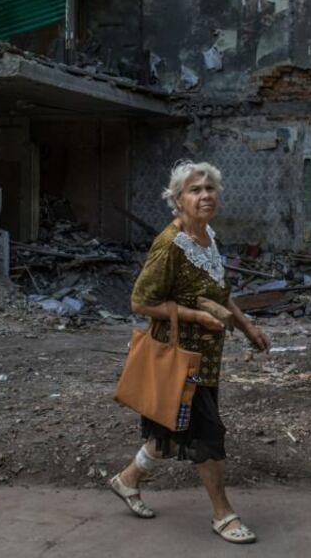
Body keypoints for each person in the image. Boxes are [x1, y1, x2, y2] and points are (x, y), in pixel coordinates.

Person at [109, 160, 270, 544]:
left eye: (210, 188)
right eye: (195, 190)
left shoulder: (207, 236)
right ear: (178, 199)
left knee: (170, 428)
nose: (205, 196)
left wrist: (247, 326)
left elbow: (220, 293)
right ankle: (223, 514)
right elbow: (140, 302)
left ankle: (127, 480)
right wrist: (196, 315)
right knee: (207, 433)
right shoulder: (170, 245)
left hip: (206, 359)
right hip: (181, 359)